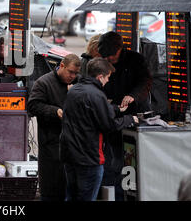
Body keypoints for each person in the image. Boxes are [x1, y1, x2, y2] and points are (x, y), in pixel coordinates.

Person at [60, 57, 138, 201]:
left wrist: (116, 109)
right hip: (88, 158)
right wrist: (129, 119)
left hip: (69, 154)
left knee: (71, 196)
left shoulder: (74, 90)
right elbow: (108, 125)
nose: (108, 81)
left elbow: (90, 112)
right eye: (107, 77)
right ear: (100, 76)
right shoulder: (97, 95)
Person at [98, 31, 152, 201]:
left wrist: (133, 96)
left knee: (129, 159)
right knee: (113, 159)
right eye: (105, 57)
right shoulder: (103, 61)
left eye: (112, 56)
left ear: (120, 49)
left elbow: (145, 82)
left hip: (133, 113)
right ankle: (113, 193)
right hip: (113, 113)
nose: (109, 60)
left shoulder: (136, 60)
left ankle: (126, 193)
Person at [28, 53, 81, 201]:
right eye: (70, 72)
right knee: (52, 188)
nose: (72, 76)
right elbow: (33, 106)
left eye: (76, 73)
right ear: (62, 66)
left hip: (73, 144)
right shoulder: (44, 82)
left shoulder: (77, 83)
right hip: (51, 142)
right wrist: (54, 111)